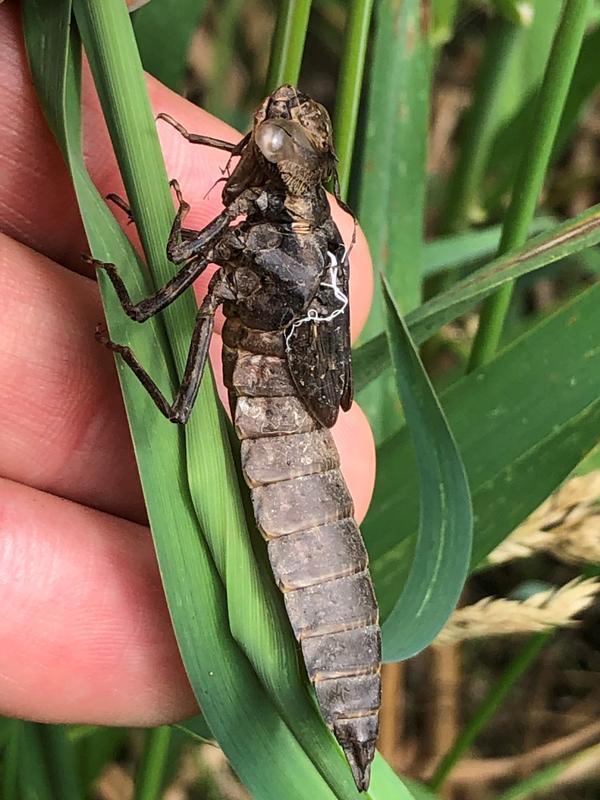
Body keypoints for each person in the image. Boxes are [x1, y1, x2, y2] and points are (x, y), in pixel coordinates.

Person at [0, 1, 375, 726]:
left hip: (287, 426)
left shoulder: (262, 238)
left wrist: (138, 255)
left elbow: (166, 274)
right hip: (296, 402)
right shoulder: (305, 228)